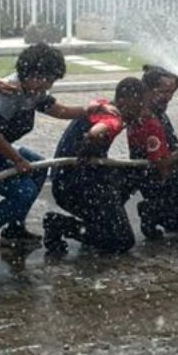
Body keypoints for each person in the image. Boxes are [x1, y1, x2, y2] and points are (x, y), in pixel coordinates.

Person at [0, 43, 101, 265]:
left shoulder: (34, 91)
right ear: (31, 74)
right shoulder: (10, 92)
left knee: (39, 166)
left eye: (52, 80)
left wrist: (91, 110)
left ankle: (14, 229)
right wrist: (17, 160)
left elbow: (61, 111)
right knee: (23, 191)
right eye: (46, 79)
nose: (48, 85)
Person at [43, 77, 148, 256]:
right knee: (122, 241)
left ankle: (101, 219)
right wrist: (87, 147)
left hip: (66, 180)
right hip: (75, 187)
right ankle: (60, 224)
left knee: (131, 174)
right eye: (138, 105)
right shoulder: (114, 118)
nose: (141, 110)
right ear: (123, 101)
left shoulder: (102, 105)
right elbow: (95, 132)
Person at [125, 66, 178, 239]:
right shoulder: (150, 121)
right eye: (162, 92)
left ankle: (157, 209)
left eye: (170, 92)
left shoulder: (148, 109)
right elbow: (163, 168)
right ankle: (155, 211)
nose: (168, 97)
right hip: (162, 182)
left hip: (158, 177)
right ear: (148, 91)